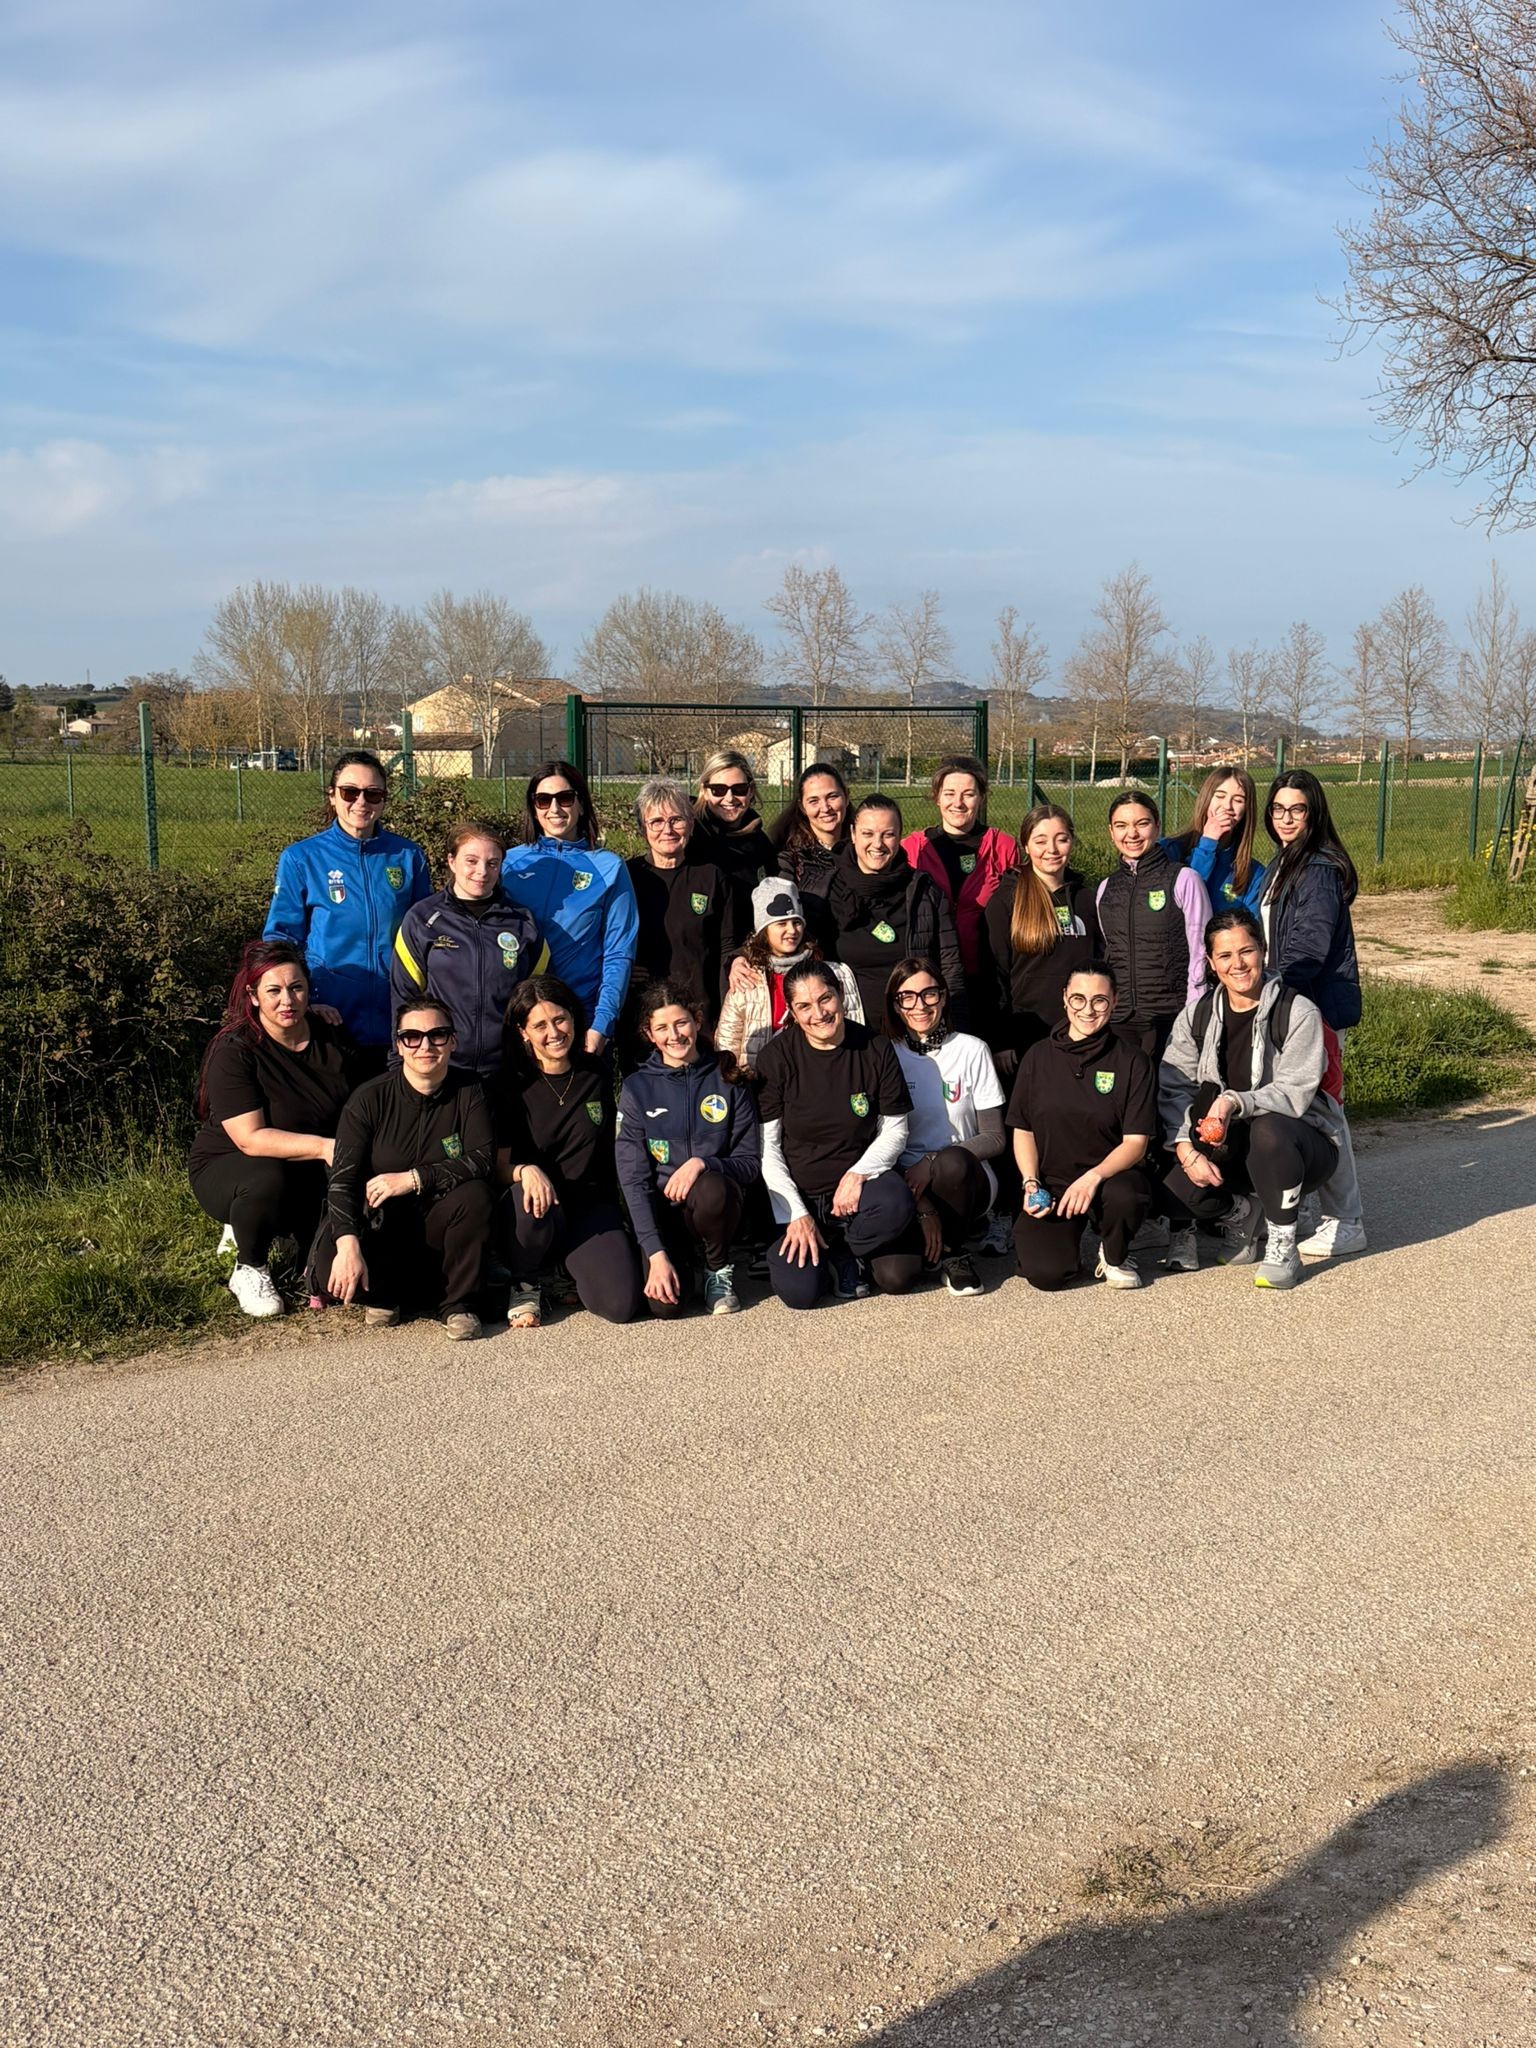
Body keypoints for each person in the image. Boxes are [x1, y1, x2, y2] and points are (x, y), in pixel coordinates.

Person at [1159, 909, 1347, 1290]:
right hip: (1230, 1146)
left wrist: (1233, 1102)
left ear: (1263, 950)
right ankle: (1242, 1212)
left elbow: (1295, 1092)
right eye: (1225, 955)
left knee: (1269, 1129)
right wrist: (1184, 1149)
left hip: (1300, 1146)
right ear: (1211, 962)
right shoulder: (1195, 1017)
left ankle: (1282, 1243)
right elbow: (1174, 1089)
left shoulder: (1297, 1012)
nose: (1238, 964)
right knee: (1170, 1189)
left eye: (1246, 951)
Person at [189, 940, 356, 1319]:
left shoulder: (331, 1033)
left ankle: (293, 1240)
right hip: (234, 1163)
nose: (287, 1000)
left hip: (310, 1161)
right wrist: (326, 1148)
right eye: (274, 991)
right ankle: (249, 1265)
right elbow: (250, 1139)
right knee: (267, 1178)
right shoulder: (234, 1050)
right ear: (253, 996)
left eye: (296, 988)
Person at [321, 999, 494, 1340]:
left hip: (441, 1223)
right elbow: (342, 1181)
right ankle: (388, 1295)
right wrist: (347, 1244)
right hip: (383, 1226)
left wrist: (415, 1178)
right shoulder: (368, 1098)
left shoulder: (471, 1090)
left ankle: (457, 1304)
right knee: (333, 1261)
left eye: (437, 1035)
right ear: (399, 1045)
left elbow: (483, 1158)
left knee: (476, 1195)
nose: (425, 1046)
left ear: (453, 1041)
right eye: (412, 1037)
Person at [755, 961, 923, 1308]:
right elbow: (767, 1148)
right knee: (800, 1293)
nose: (818, 1013)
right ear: (792, 1012)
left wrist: (858, 1173)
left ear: (841, 995)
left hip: (861, 1194)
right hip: (803, 1194)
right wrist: (797, 1213)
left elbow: (895, 1129)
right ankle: (826, 1248)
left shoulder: (875, 1047)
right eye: (804, 1006)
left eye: (825, 999)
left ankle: (847, 1251)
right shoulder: (776, 1057)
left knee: (899, 1274)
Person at [264, 750, 431, 1066]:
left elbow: (425, 935)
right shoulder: (302, 858)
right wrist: (304, 1000)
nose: (361, 802)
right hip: (330, 1017)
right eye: (350, 792)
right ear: (332, 796)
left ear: (384, 799)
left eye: (373, 794)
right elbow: (281, 941)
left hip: (395, 1016)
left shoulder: (408, 856)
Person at [494, 976, 642, 1327]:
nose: (554, 1032)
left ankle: (564, 1268)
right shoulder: (509, 1084)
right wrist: (523, 1170)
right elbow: (496, 1166)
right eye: (540, 1025)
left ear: (574, 1018)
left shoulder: (597, 1072)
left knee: (620, 1306)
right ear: (523, 1032)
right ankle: (526, 1281)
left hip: (590, 1205)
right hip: (535, 1207)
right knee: (529, 1201)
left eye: (560, 1019)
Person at [1260, 770, 1366, 1260]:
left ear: (1314, 813)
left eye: (1297, 809)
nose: (1286, 818)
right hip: (1292, 1002)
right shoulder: (1286, 861)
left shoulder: (1318, 868)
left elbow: (1308, 946)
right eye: (1278, 809)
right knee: (1295, 1108)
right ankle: (1302, 1206)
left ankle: (1346, 1220)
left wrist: (1271, 990)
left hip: (1312, 1006)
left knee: (1323, 1110)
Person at [615, 980, 761, 1318]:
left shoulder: (728, 1077)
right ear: (649, 1034)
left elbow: (749, 1163)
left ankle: (717, 1269)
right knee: (665, 1308)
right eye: (662, 1028)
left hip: (713, 1204)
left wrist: (702, 1163)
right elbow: (633, 1178)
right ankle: (674, 1259)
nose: (674, 1035)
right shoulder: (637, 1088)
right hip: (665, 1214)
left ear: (696, 1020)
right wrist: (655, 1252)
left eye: (681, 1023)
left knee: (713, 1188)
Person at [1007, 964, 1156, 1291]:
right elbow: (1023, 1129)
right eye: (1078, 999)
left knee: (1127, 1194)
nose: (1088, 1010)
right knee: (1046, 1275)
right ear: (1064, 998)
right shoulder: (1037, 1057)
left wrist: (1093, 1177)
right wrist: (1030, 1182)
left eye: (1099, 1000)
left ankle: (1114, 1253)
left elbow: (1136, 1143)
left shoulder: (1133, 1061)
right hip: (1054, 1184)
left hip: (1109, 1179)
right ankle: (1065, 1247)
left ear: (1114, 1001)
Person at [883, 957, 1006, 1298]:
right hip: (905, 1179)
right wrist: (922, 1204)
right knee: (895, 1278)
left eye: (929, 994)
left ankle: (954, 1251)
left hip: (964, 1174)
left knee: (951, 1163)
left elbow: (995, 1137)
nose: (920, 1006)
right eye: (907, 997)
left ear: (944, 996)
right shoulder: (885, 1054)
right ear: (895, 1004)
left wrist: (933, 1160)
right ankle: (925, 1236)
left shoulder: (972, 1049)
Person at [499, 762, 638, 1059]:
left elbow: (618, 953)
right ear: (533, 807)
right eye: (543, 800)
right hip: (520, 1020)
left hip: (579, 1020)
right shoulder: (509, 864)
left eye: (565, 798)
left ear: (581, 804)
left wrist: (602, 1024)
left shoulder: (609, 867)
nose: (555, 808)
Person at [390, 820, 546, 1080]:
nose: (482, 872)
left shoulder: (523, 921)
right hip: (443, 1066)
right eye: (471, 861)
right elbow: (403, 998)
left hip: (506, 1069)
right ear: (451, 861)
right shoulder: (422, 919)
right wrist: (399, 1063)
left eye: (492, 863)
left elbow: (539, 997)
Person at [821, 794, 965, 1027]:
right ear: (853, 834)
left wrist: (952, 1025)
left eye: (888, 834)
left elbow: (949, 965)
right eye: (868, 834)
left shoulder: (924, 891)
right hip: (850, 1031)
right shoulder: (827, 890)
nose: (877, 844)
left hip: (913, 1027)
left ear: (899, 836)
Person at [1093, 790, 1211, 1062]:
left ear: (1157, 826)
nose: (1131, 834)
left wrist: (1194, 1013)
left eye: (1142, 823)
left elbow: (1201, 951)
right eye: (1121, 825)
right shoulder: (1105, 889)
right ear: (1111, 832)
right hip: (1120, 1019)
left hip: (1171, 1016)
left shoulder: (1184, 879)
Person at [981, 802, 1100, 1065]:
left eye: (1062, 839)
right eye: (1041, 841)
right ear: (1026, 845)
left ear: (1072, 841)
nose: (1052, 850)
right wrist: (1000, 1041)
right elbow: (993, 978)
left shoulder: (1087, 899)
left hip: (1082, 1033)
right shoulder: (1006, 901)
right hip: (1025, 1038)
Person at [901, 755, 1018, 1021]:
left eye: (968, 794)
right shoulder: (912, 849)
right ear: (937, 797)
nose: (958, 803)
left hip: (989, 979)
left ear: (982, 797)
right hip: (928, 980)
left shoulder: (1003, 847)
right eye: (950, 793)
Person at [714, 876, 863, 1081]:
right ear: (764, 931)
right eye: (781, 923)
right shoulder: (746, 977)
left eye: (796, 922)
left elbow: (853, 1029)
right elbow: (728, 1043)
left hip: (826, 1079)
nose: (792, 930)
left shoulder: (834, 973)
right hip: (761, 1083)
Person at [624, 777, 742, 1032]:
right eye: (656, 821)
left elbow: (728, 946)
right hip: (644, 1017)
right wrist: (622, 969)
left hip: (700, 1014)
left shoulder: (711, 876)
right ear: (643, 828)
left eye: (676, 819)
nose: (667, 830)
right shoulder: (627, 877)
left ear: (690, 824)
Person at [1161, 766, 1267, 914]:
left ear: (1247, 809)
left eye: (1238, 800)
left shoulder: (1255, 873)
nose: (1227, 806)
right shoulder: (1170, 850)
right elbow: (1184, 902)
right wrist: (1208, 844)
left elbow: (1251, 924)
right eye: (1220, 796)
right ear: (1206, 799)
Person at [768, 762, 852, 903]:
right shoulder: (790, 859)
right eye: (814, 801)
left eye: (832, 797)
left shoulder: (865, 849)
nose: (825, 808)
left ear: (846, 797)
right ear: (802, 807)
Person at [692, 749, 776, 888]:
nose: (730, 798)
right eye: (719, 790)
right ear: (705, 791)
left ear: (751, 791)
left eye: (739, 789)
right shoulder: (691, 835)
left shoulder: (760, 842)